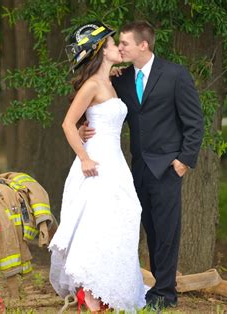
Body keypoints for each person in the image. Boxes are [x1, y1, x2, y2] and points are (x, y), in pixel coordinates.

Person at [80, 21, 204, 309]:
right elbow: (105, 111)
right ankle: (152, 288)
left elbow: (194, 123)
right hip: (135, 169)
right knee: (146, 226)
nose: (120, 48)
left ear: (143, 45)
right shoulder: (121, 80)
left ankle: (165, 294)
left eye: (124, 43)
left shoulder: (174, 75)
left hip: (168, 167)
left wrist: (183, 161)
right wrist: (86, 127)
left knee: (166, 231)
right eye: (119, 44)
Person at [48, 22, 147, 312]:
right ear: (102, 50)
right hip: (96, 162)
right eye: (114, 43)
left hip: (114, 161)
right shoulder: (92, 85)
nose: (119, 47)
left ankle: (105, 286)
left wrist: (112, 73)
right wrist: (84, 157)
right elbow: (68, 123)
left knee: (121, 218)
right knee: (96, 225)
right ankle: (89, 292)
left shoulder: (109, 82)